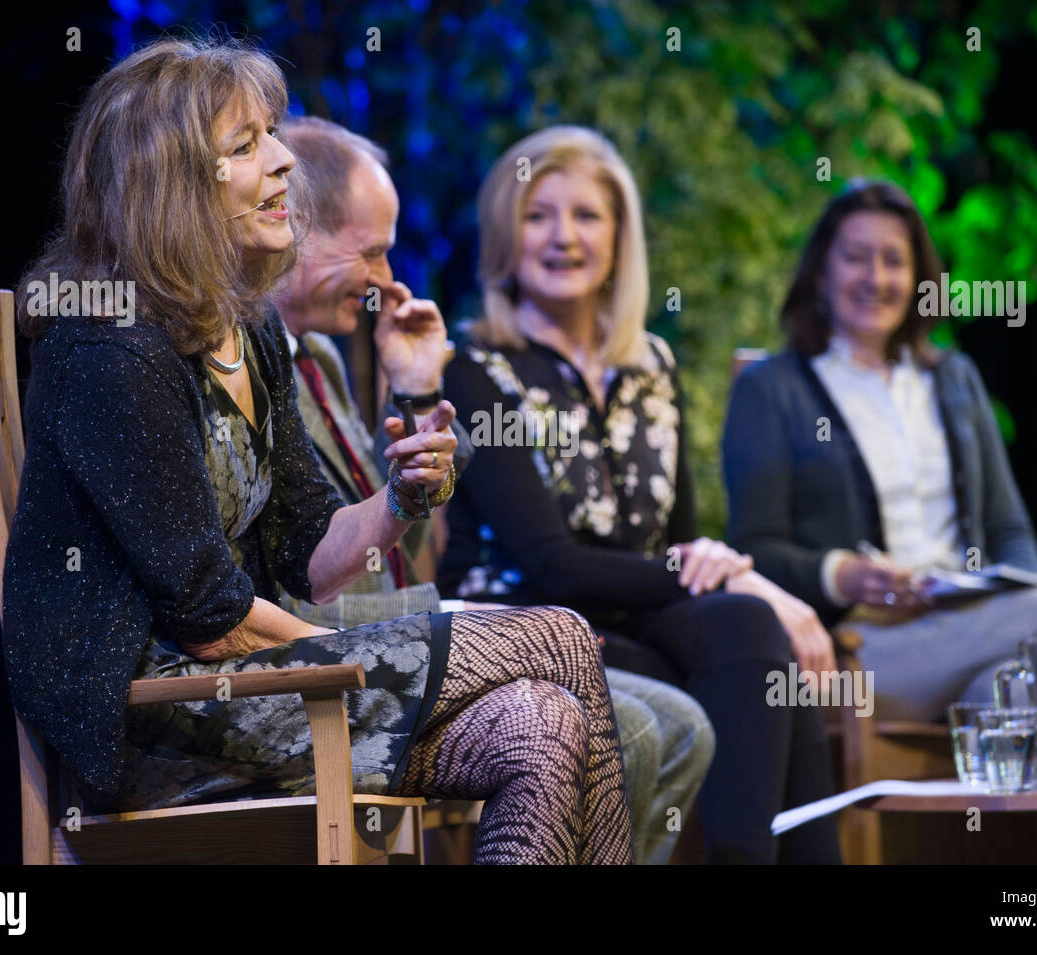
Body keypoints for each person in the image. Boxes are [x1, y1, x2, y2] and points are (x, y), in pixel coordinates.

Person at [2, 37, 632, 864]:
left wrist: (402, 499)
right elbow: (210, 621)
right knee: (557, 635)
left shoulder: (252, 326)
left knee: (546, 723)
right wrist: (351, 651)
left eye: (271, 134)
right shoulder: (110, 349)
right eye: (246, 146)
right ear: (174, 185)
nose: (282, 162)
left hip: (265, 690)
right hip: (158, 721)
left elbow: (309, 554)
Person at [270, 115, 714, 864]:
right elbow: (300, 585)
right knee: (626, 714)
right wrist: (451, 609)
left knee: (685, 720)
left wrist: (412, 392)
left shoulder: (323, 357)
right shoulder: (241, 364)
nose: (386, 278)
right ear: (297, 229)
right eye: (372, 251)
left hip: (400, 631)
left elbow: (388, 546)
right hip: (328, 664)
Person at [439, 125, 842, 863]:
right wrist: (743, 574)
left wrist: (747, 588)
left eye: (587, 215)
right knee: (747, 636)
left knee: (749, 629)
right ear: (505, 235)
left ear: (620, 237)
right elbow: (549, 561)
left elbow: (677, 541)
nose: (564, 236)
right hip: (531, 624)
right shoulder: (474, 371)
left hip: (635, 615)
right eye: (539, 215)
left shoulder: (651, 362)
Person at [721, 179, 1037, 772]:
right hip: (862, 651)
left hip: (968, 629)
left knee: (1015, 687)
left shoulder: (954, 380)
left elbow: (1010, 529)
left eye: (894, 260)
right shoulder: (773, 390)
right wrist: (844, 575)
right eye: (856, 257)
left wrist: (1009, 601)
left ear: (918, 278)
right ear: (820, 274)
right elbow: (753, 549)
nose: (877, 277)